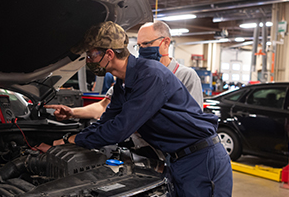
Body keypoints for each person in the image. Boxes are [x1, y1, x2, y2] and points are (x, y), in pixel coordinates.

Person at [55, 21, 235, 197]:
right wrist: (71, 137)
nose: (89, 61)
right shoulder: (123, 84)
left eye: (91, 55)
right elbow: (107, 120)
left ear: (108, 54)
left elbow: (119, 129)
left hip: (204, 164)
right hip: (179, 164)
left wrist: (68, 143)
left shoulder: (151, 75)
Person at [45, 20, 203, 121]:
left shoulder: (186, 76)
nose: (141, 50)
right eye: (138, 46)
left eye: (146, 44)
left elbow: (192, 121)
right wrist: (73, 112)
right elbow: (103, 107)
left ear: (165, 43)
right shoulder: (131, 77)